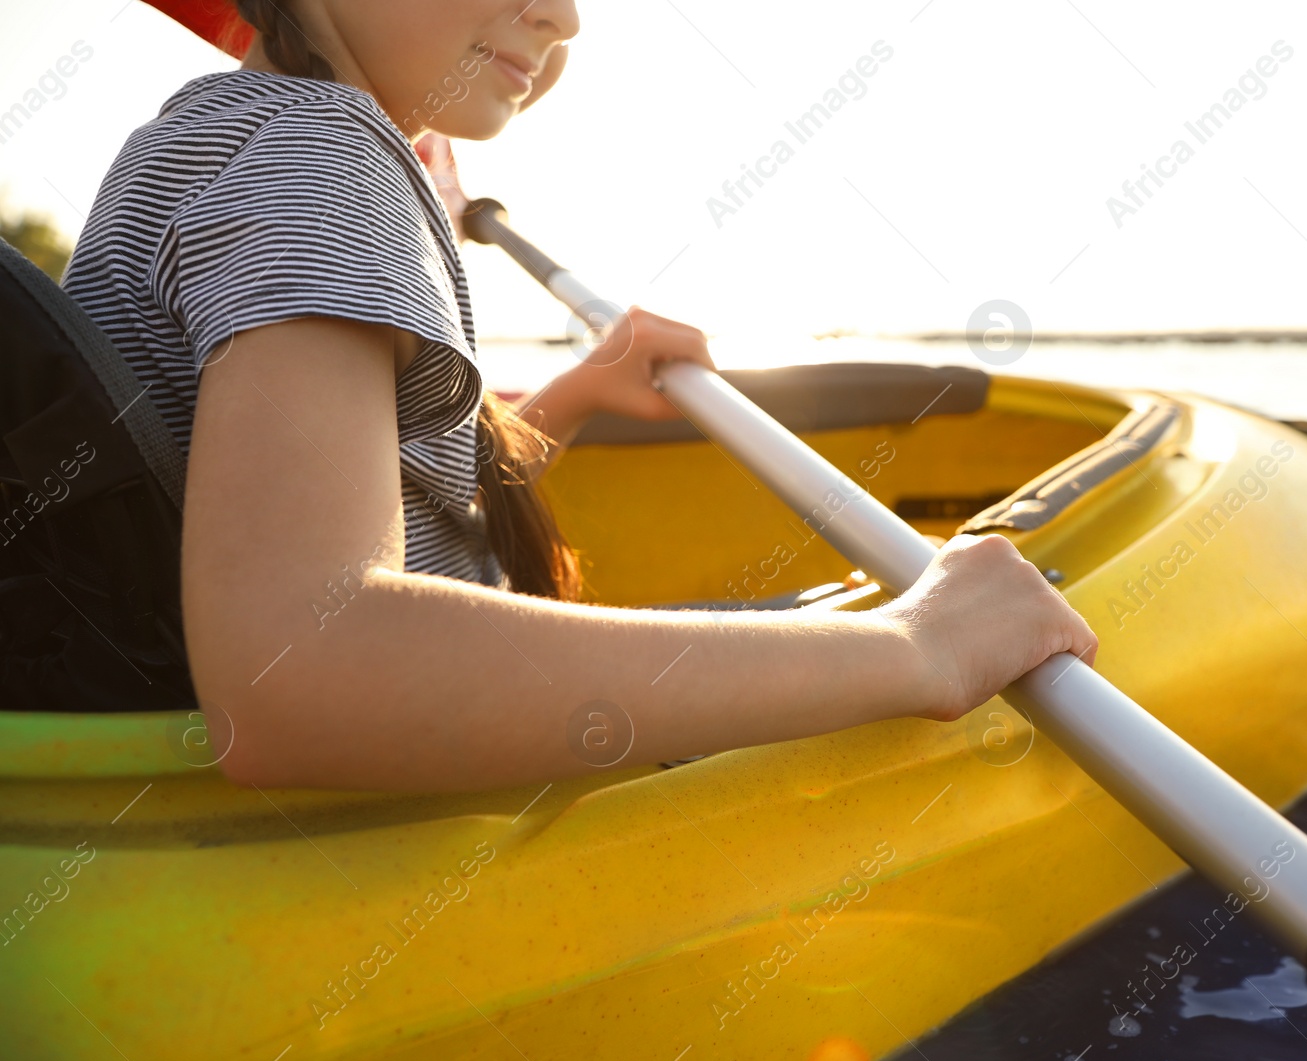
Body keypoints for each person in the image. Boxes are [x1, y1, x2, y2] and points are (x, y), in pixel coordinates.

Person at [61, 0, 1098, 791]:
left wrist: (574, 396)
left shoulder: (210, 142)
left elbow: (377, 500)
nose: (563, 18)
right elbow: (303, 667)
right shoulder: (316, 156)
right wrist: (914, 646)